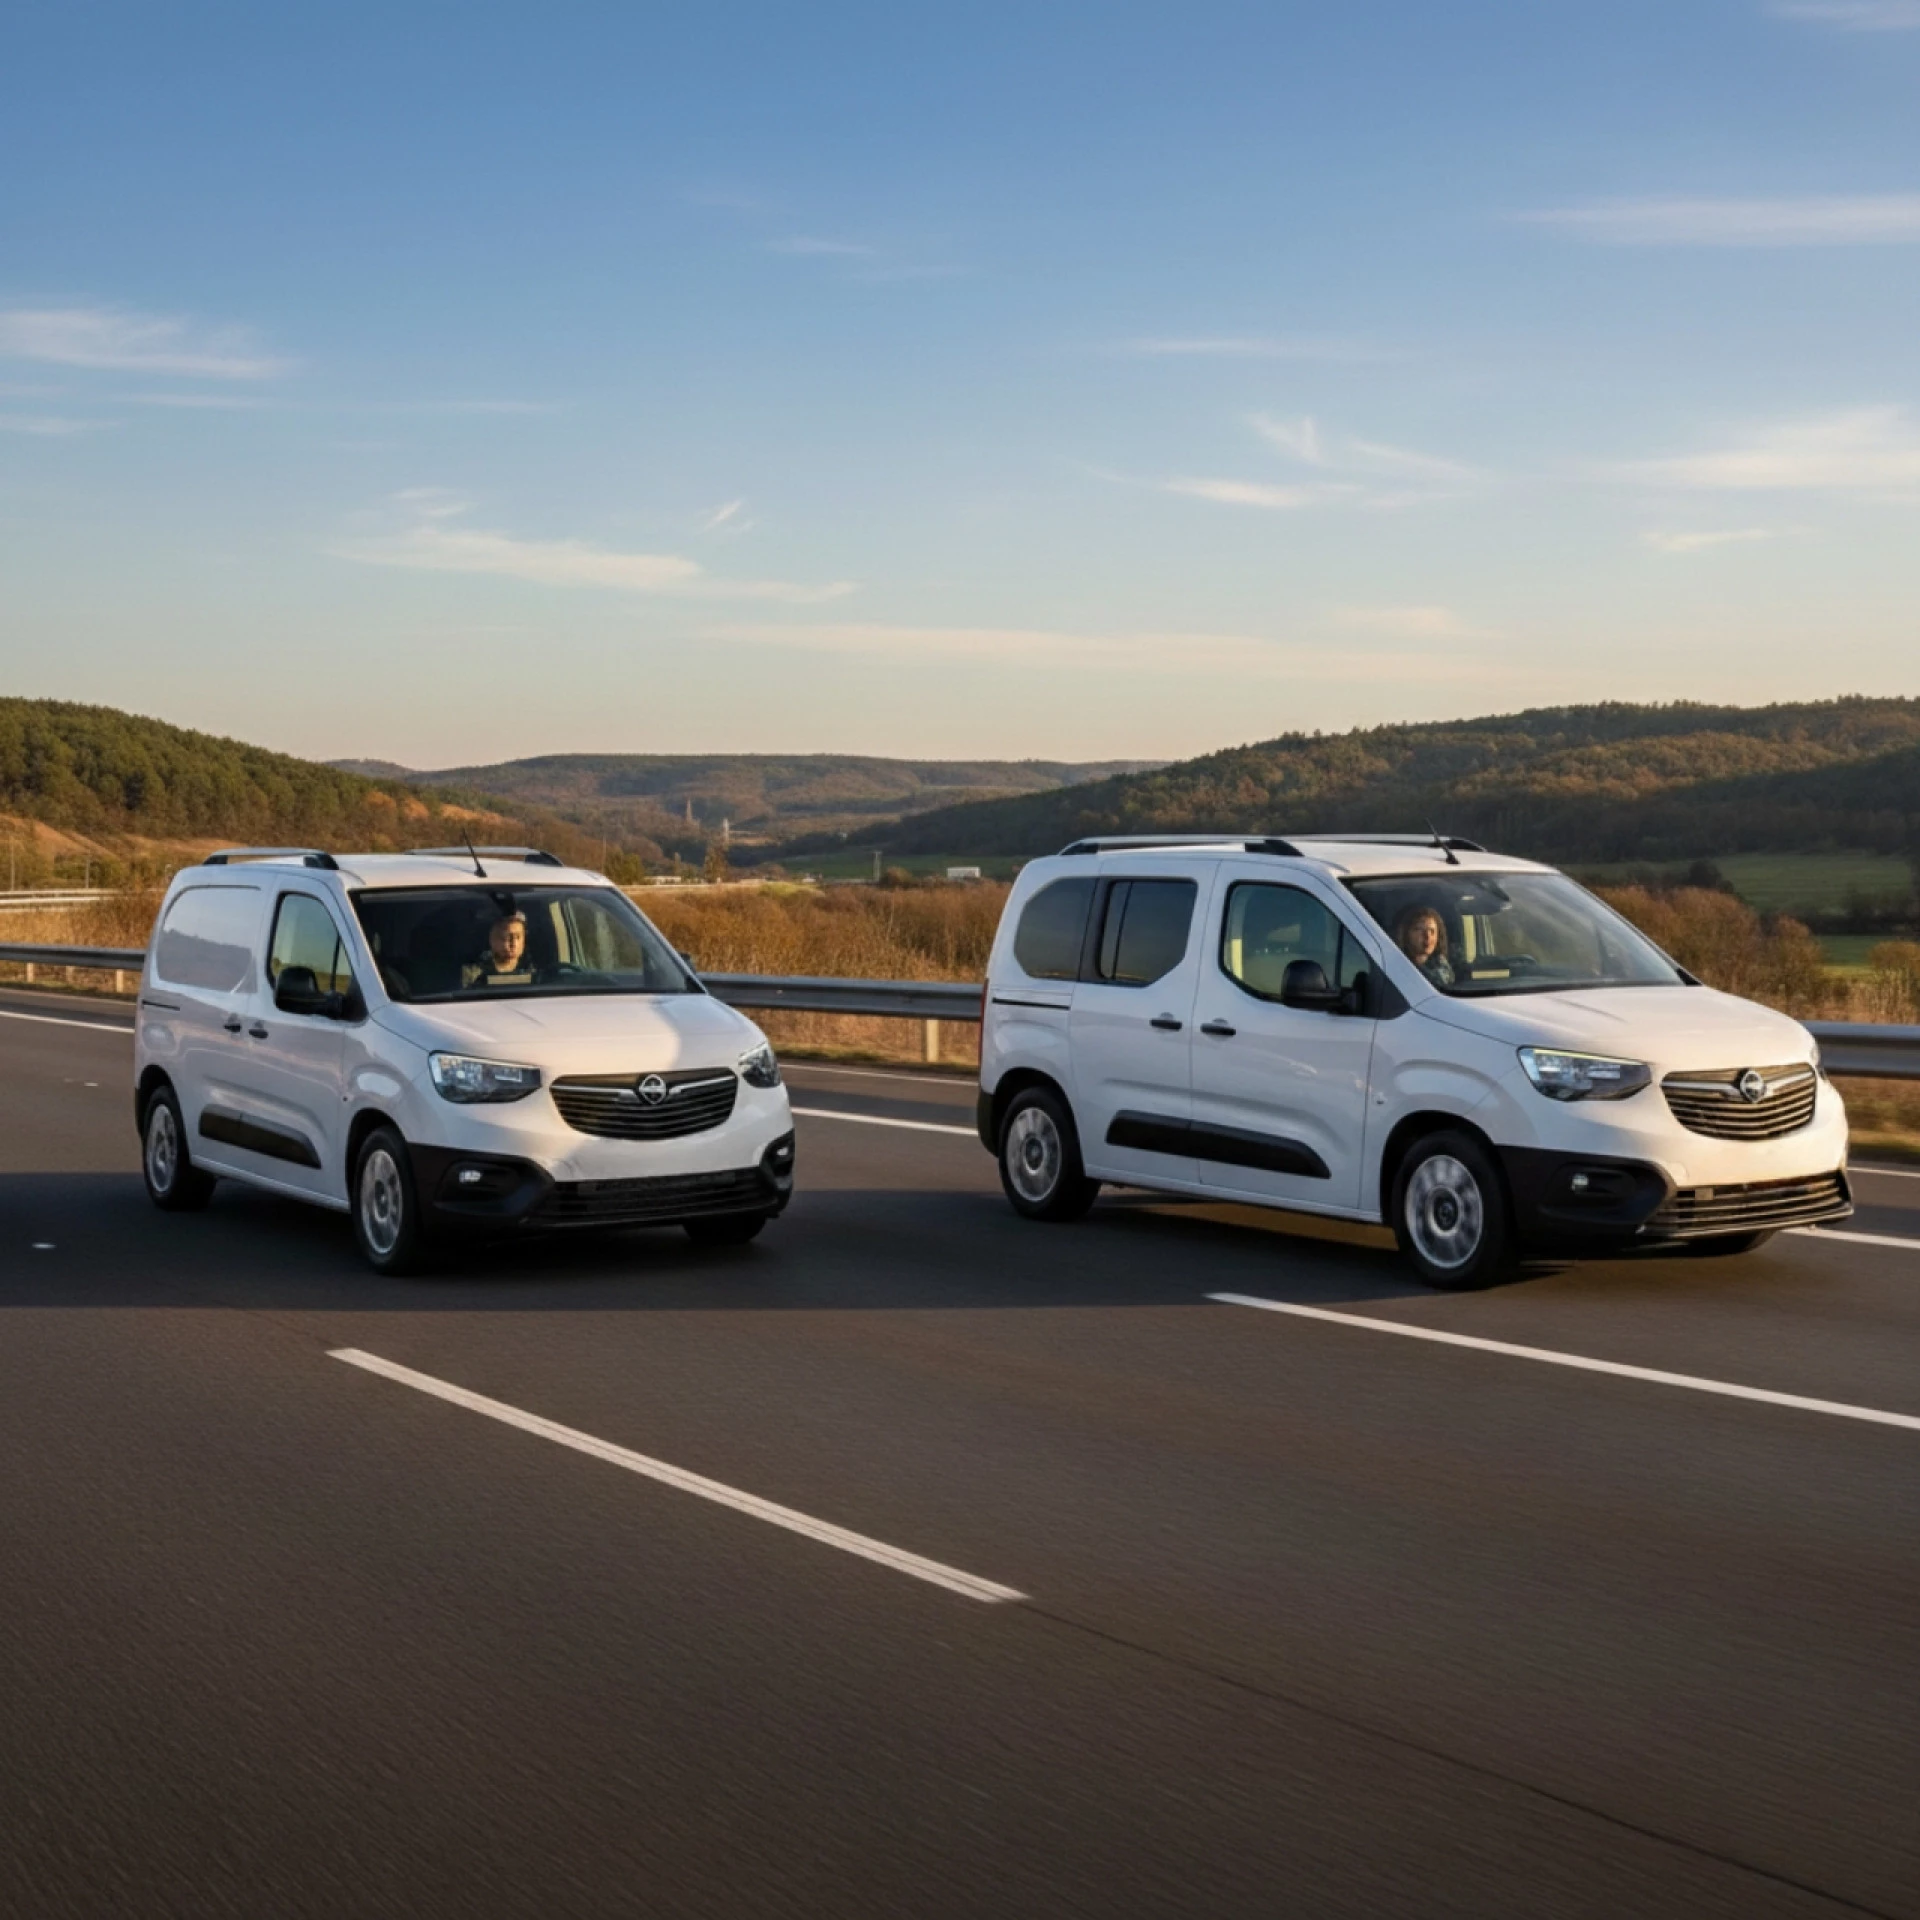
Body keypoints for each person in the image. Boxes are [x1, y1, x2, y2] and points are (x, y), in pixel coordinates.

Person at [464, 909, 531, 987]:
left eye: (518, 937)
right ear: (492, 939)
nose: (514, 943)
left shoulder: (535, 972)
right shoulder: (473, 974)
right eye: (507, 937)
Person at [1395, 903, 1455, 987]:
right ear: (1406, 934)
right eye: (1419, 929)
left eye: (1432, 930)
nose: (1427, 936)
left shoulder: (1445, 968)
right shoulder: (1396, 969)